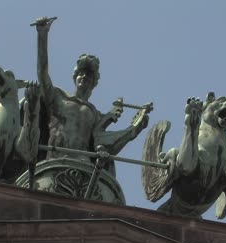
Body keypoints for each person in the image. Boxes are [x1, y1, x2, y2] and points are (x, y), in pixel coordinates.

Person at [32, 17, 149, 165]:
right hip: (54, 161)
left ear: (94, 82)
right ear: (75, 77)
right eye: (81, 73)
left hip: (83, 164)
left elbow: (105, 142)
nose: (84, 77)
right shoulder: (57, 97)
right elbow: (42, 72)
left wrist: (135, 128)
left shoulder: (94, 114)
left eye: (89, 74)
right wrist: (42, 36)